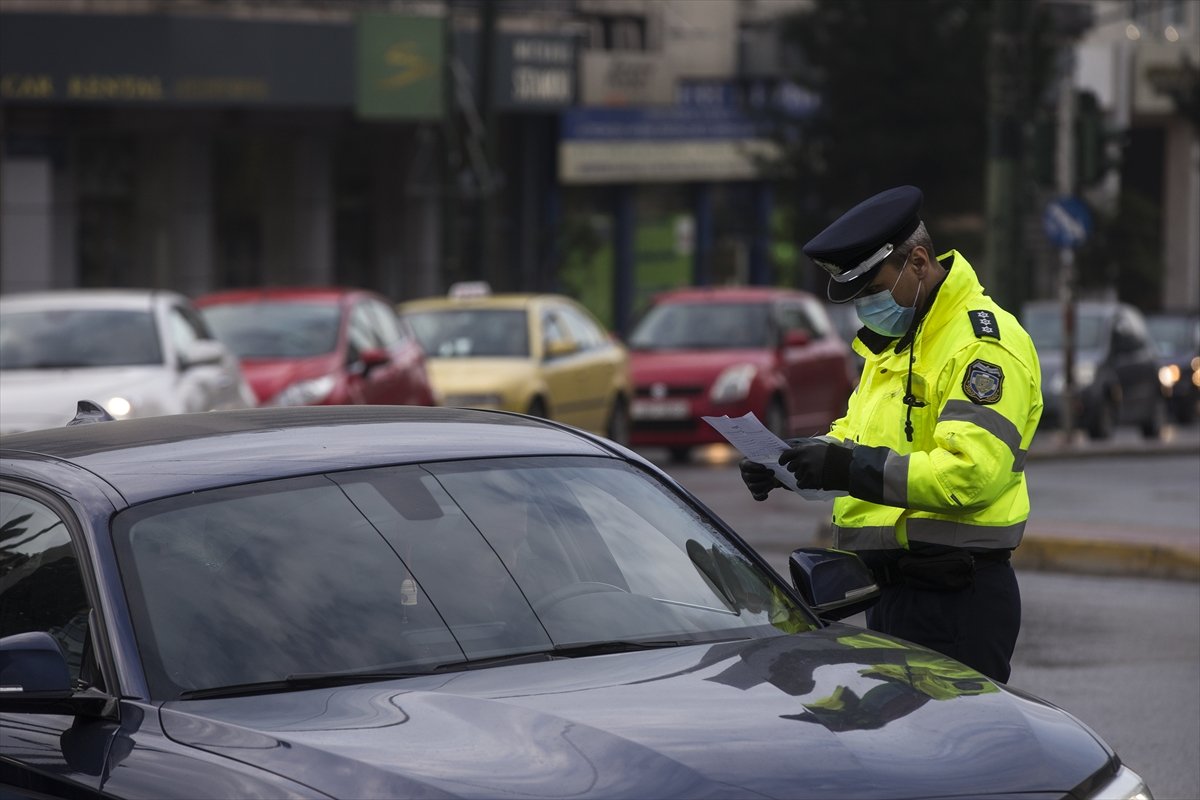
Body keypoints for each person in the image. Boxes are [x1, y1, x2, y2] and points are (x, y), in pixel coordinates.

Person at [740, 185, 1042, 683]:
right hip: (891, 594)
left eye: (872, 291)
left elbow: (970, 473)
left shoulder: (983, 346)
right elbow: (858, 439)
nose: (865, 306)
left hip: (955, 599)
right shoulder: (899, 343)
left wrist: (847, 467)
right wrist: (794, 461)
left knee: (951, 756)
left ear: (918, 262)